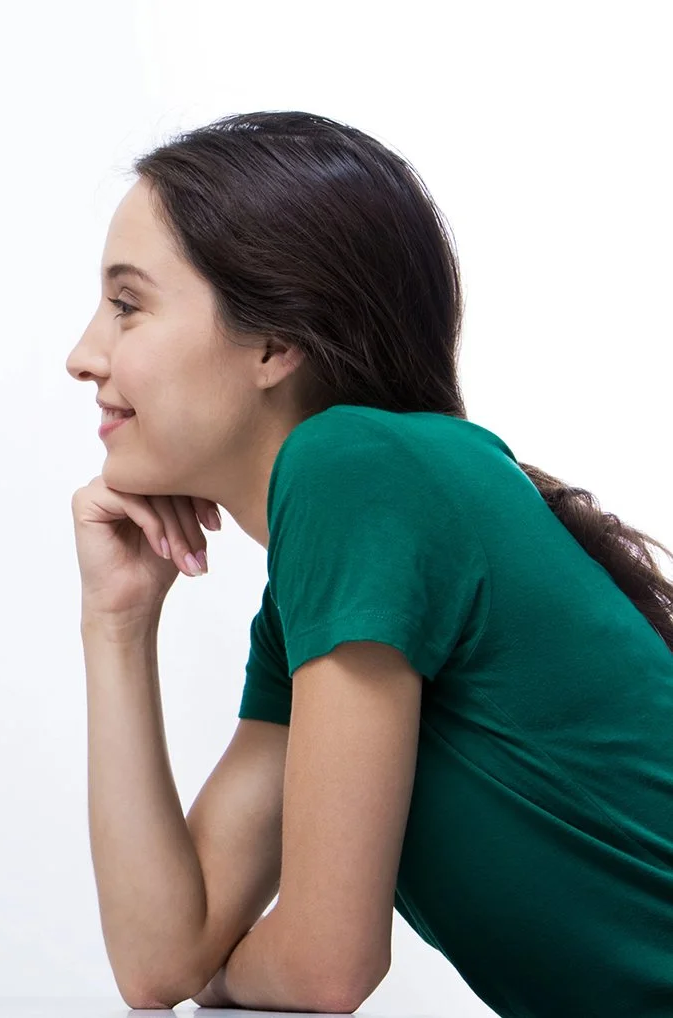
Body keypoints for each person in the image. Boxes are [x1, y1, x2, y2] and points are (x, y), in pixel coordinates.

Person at [67, 112, 673, 1016]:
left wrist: (224, 981)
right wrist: (117, 621)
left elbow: (322, 967)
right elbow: (161, 960)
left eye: (128, 305)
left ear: (274, 344)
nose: (83, 355)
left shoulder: (352, 467)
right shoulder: (330, 571)